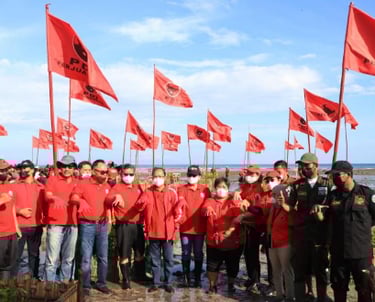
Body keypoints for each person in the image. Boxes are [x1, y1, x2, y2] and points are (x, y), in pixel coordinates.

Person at [320, 161, 375, 302]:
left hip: (361, 252)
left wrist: (361, 230)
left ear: (349, 174)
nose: (334, 178)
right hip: (339, 252)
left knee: (364, 289)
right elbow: (325, 220)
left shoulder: (367, 194)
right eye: (333, 176)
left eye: (337, 175)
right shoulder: (332, 196)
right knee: (338, 288)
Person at [281, 153, 332, 302]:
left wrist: (323, 209)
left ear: (316, 166)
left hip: (320, 234)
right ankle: (301, 298)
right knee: (300, 269)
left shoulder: (327, 184)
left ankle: (322, 298)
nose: (304, 170)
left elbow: (334, 207)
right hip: (301, 234)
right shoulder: (297, 185)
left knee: (321, 269)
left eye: (308, 167)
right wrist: (283, 205)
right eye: (302, 167)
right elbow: (291, 208)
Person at [136, 167, 183, 294]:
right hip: (152, 232)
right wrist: (141, 202)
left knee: (168, 260)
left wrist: (176, 228)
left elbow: (178, 213)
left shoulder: (171, 192)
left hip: (168, 232)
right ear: (152, 177)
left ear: (165, 177)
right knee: (155, 260)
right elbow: (139, 207)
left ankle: (168, 283)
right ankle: (156, 283)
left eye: (160, 176)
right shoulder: (147, 192)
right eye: (155, 176)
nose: (158, 179)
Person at [71, 159, 112, 296]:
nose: (105, 174)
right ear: (94, 171)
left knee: (103, 256)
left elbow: (109, 203)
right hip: (87, 224)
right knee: (86, 257)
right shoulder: (83, 184)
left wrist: (117, 197)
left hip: (102, 224)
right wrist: (80, 201)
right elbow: (74, 197)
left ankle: (101, 283)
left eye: (106, 172)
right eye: (102, 172)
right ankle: (86, 285)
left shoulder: (107, 186)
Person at [105, 164, 147, 289]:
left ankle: (140, 275)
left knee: (140, 251)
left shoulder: (138, 187)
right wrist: (115, 196)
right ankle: (126, 279)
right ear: (121, 174)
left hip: (138, 225)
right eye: (126, 174)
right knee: (124, 253)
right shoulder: (117, 187)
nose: (128, 177)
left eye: (131, 174)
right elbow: (107, 200)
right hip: (124, 225)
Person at [202, 177, 242, 294]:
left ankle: (231, 284)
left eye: (224, 187)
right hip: (213, 240)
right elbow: (204, 209)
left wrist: (230, 230)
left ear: (228, 189)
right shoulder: (210, 200)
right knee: (212, 265)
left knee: (232, 265)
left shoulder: (233, 201)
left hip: (231, 239)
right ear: (215, 188)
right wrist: (207, 209)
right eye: (219, 187)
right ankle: (212, 286)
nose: (221, 190)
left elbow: (238, 219)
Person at [44, 155, 79, 282]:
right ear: (60, 167)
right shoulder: (52, 180)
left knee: (68, 259)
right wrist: (54, 198)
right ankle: (50, 287)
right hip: (55, 223)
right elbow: (47, 196)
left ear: (74, 167)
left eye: (70, 166)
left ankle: (65, 285)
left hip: (72, 224)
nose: (66, 169)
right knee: (52, 259)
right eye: (64, 166)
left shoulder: (78, 182)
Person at [177, 165, 210, 288]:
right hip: (185, 228)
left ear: (199, 176)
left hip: (200, 229)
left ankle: (197, 278)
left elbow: (210, 202)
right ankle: (185, 277)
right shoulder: (182, 189)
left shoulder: (205, 190)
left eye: (194, 175)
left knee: (198, 253)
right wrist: (180, 202)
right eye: (189, 175)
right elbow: (179, 199)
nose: (191, 177)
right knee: (185, 252)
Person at [13, 160, 44, 279]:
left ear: (32, 170)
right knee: (16, 256)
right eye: (21, 168)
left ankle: (34, 278)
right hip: (19, 227)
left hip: (36, 226)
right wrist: (19, 211)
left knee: (34, 254)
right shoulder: (14, 185)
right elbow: (8, 205)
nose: (23, 170)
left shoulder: (41, 187)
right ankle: (12, 280)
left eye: (26, 168)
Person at [268, 179, 295, 302]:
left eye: (275, 194)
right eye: (272, 194)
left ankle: (290, 296)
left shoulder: (289, 208)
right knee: (276, 271)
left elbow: (293, 216)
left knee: (287, 271)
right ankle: (279, 295)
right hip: (273, 243)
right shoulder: (273, 208)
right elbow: (269, 225)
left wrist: (284, 205)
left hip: (285, 243)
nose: (273, 197)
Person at [0, 159, 19, 279]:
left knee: (8, 265)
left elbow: (12, 208)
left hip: (11, 232)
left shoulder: (10, 187)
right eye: (1, 170)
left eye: (6, 170)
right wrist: (1, 201)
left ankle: (5, 292)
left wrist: (16, 227)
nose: (3, 172)